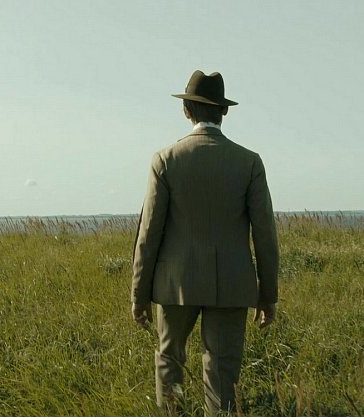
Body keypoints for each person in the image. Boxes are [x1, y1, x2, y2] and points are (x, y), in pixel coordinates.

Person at [131, 70, 280, 416]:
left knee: (170, 360)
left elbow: (148, 234)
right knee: (222, 368)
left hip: (176, 283)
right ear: (224, 111)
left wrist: (139, 294)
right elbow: (265, 235)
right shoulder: (249, 162)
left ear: (186, 110)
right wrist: (268, 295)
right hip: (232, 283)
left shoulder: (165, 160)